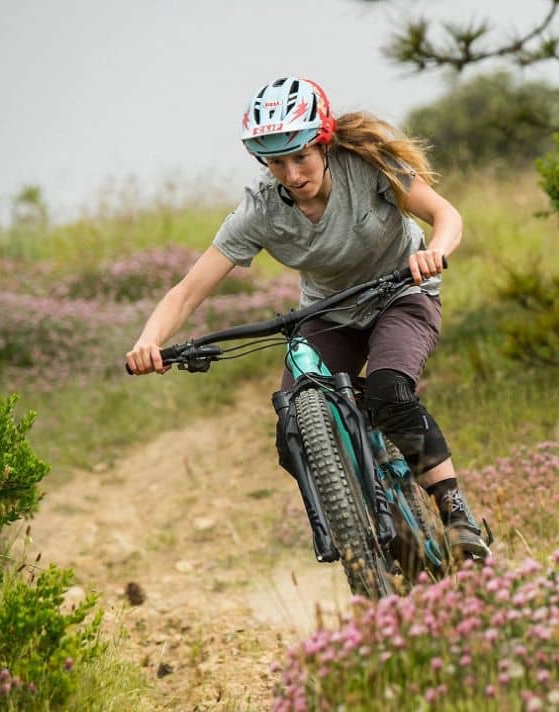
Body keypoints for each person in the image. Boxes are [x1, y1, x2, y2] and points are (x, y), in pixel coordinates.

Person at [125, 76, 489, 558]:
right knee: (292, 427)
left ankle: (454, 512)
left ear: (323, 143)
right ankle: (364, 526)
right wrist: (149, 341)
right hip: (329, 310)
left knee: (389, 390)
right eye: (277, 162)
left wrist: (434, 253)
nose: (292, 173)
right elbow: (188, 291)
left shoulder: (367, 167)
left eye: (301, 157)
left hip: (402, 294)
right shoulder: (259, 210)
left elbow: (446, 215)